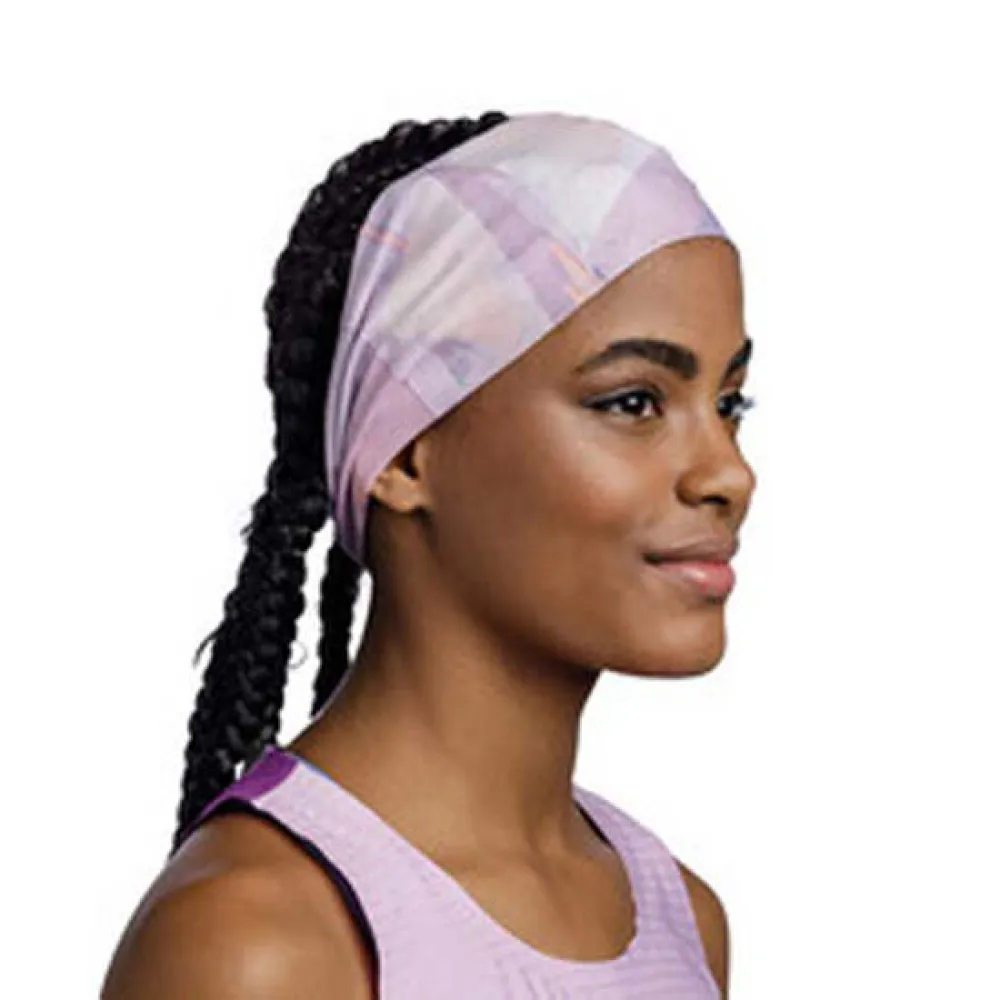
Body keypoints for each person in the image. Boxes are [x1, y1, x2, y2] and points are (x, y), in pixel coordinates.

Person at [102, 109, 754, 998]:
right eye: (633, 402)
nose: (729, 473)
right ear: (407, 452)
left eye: (730, 404)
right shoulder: (261, 944)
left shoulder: (683, 920)